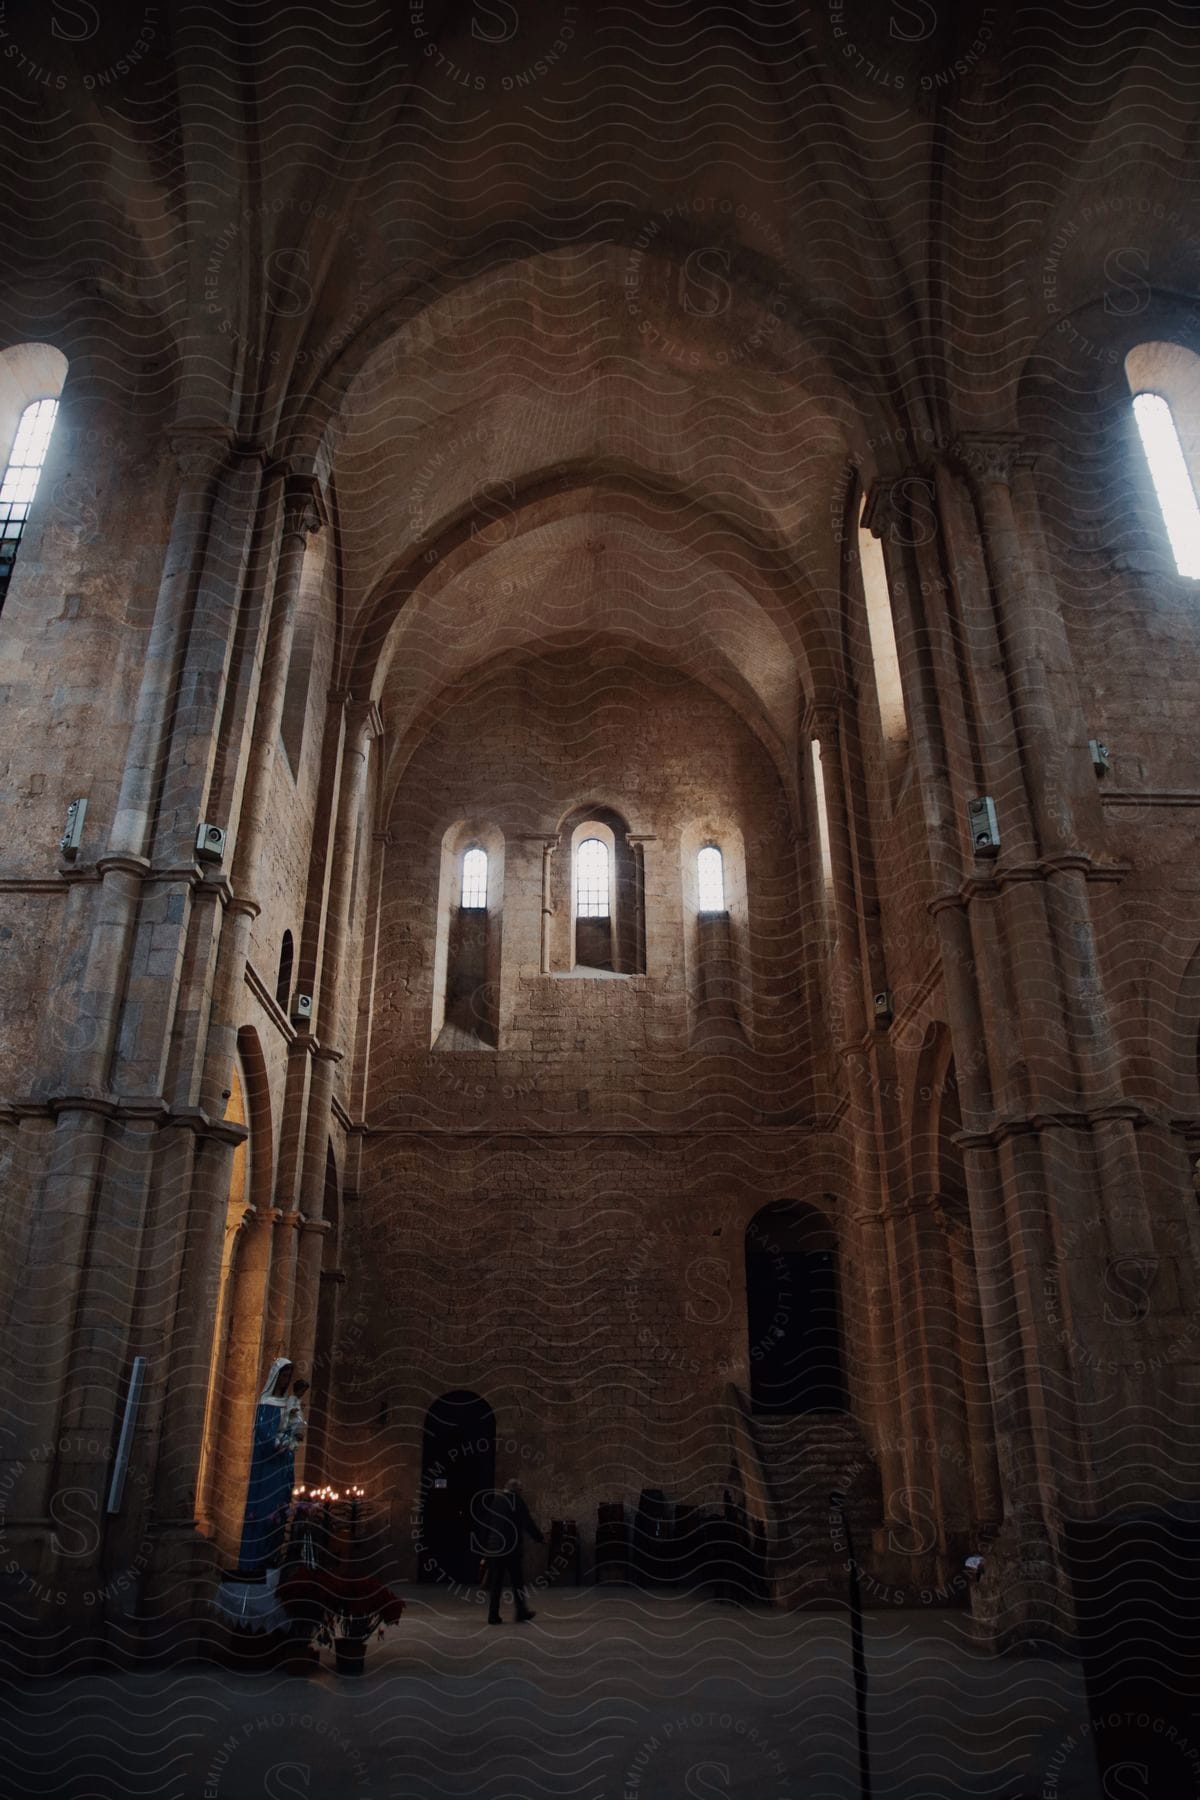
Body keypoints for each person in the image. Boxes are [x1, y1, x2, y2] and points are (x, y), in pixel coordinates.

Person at [237, 1356, 302, 1573]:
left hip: (282, 1466)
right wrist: (283, 1442)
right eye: (283, 1375)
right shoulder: (266, 1403)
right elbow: (265, 1436)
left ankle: (271, 1563)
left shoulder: (287, 1402)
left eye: (288, 1376)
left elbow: (293, 1427)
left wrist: (293, 1437)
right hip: (268, 1467)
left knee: (278, 1515)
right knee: (264, 1514)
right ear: (275, 1376)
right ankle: (253, 1566)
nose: (286, 1379)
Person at [479, 1477, 544, 1624]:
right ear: (517, 1490)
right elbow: (527, 1523)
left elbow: (486, 1524)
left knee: (496, 1583)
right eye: (521, 1491)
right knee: (517, 1582)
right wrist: (539, 1538)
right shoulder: (517, 1501)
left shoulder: (496, 1501)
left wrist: (485, 1547)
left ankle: (493, 1616)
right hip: (511, 1548)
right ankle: (521, 1612)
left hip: (495, 1548)